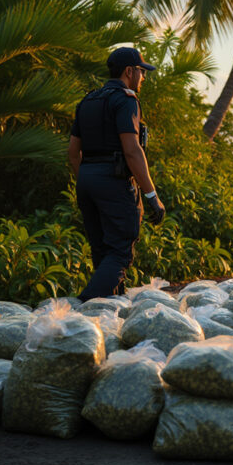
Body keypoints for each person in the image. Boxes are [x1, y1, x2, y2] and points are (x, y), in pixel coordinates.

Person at [68, 46, 165, 301]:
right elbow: (132, 150)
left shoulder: (88, 100)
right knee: (120, 253)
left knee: (102, 251)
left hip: (87, 179)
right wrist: (151, 195)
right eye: (142, 72)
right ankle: (82, 309)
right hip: (113, 180)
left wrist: (88, 180)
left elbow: (71, 152)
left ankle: (109, 312)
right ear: (129, 71)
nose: (143, 78)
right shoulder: (126, 100)